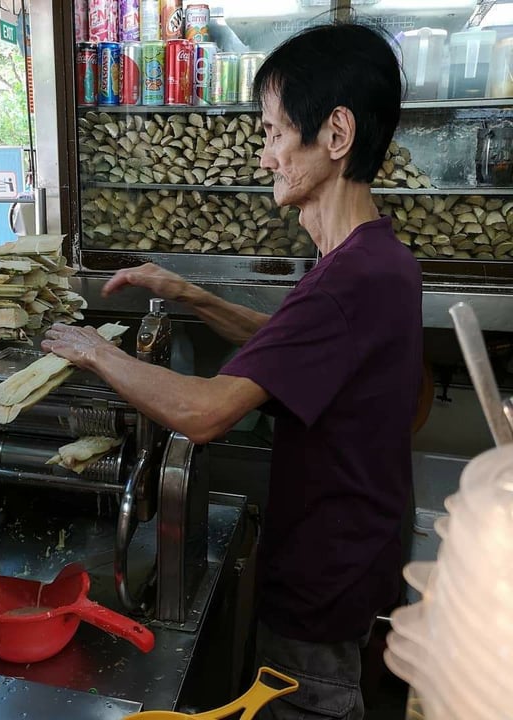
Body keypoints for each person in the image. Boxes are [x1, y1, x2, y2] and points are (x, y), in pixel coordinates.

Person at [42, 21, 422, 720]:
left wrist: (92, 350)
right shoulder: (371, 260)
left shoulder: (352, 278)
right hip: (350, 562)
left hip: (322, 584)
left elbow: (207, 412)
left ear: (335, 136)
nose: (263, 156)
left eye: (275, 132)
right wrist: (187, 294)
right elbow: (295, 352)